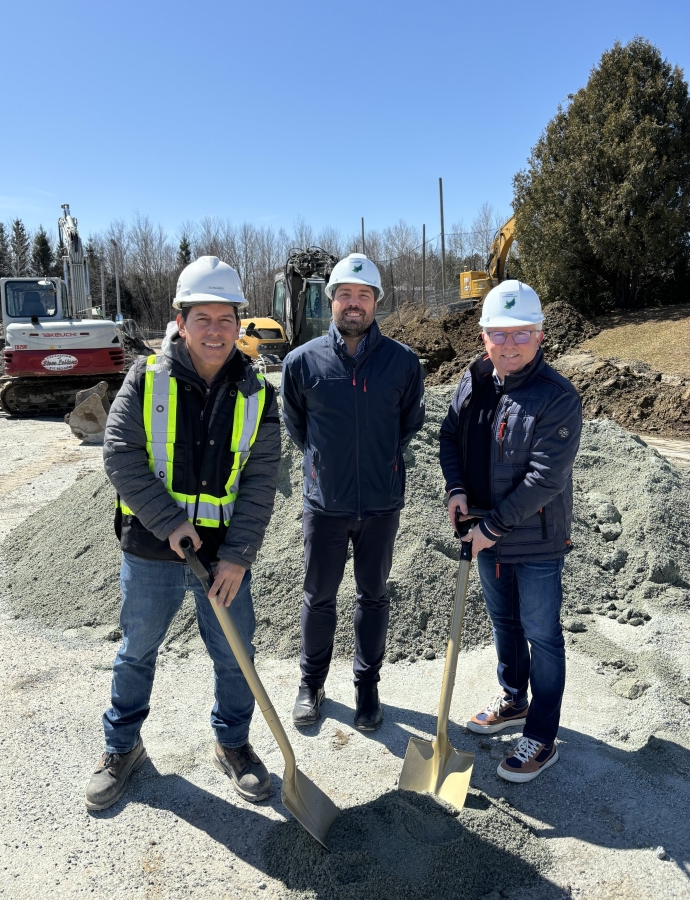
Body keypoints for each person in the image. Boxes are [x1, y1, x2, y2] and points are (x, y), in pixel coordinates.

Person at [85, 256, 281, 811]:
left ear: (239, 323)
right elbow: (120, 455)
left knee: (235, 654)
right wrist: (170, 522)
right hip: (151, 547)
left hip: (224, 557)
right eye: (203, 319)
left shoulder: (258, 393)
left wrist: (238, 555)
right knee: (136, 651)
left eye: (226, 319)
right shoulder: (145, 378)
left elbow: (262, 480)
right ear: (181, 321)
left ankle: (232, 743)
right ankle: (122, 747)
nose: (215, 331)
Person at [439, 279, 582, 782]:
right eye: (499, 333)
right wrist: (456, 489)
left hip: (535, 539)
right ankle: (514, 699)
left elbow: (546, 478)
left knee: (541, 634)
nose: (510, 344)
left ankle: (542, 736)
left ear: (540, 335)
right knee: (505, 623)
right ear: (484, 337)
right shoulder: (474, 379)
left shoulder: (557, 396)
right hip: (484, 532)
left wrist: (493, 527)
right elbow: (449, 437)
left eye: (522, 333)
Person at [281, 253, 425, 731]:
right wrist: (327, 465)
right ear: (331, 300)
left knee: (373, 596)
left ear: (376, 301)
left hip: (381, 503)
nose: (354, 303)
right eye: (345, 294)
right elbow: (298, 427)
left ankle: (367, 688)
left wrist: (378, 462)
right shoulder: (302, 362)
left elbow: (409, 423)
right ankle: (311, 685)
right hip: (325, 503)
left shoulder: (402, 362)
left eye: (364, 294)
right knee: (318, 596)